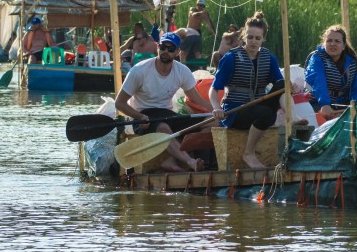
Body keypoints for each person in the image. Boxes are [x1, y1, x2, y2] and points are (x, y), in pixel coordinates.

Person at [114, 32, 214, 172]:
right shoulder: (139, 71)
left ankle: (173, 160)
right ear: (157, 47)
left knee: (210, 121)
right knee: (164, 128)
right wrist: (139, 117)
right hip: (143, 116)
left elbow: (196, 99)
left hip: (167, 114)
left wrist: (215, 110)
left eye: (171, 49)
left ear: (178, 52)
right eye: (163, 47)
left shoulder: (182, 71)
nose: (166, 51)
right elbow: (119, 103)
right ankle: (191, 162)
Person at [208, 12, 284, 170]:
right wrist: (216, 108)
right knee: (265, 113)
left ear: (263, 39)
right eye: (250, 37)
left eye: (258, 38)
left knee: (283, 85)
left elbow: (279, 84)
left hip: (259, 106)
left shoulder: (269, 58)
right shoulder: (231, 58)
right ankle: (248, 153)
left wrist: (290, 86)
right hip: (236, 111)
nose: (253, 42)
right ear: (243, 37)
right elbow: (214, 90)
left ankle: (292, 117)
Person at [304, 24, 357, 118]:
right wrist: (325, 104)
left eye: (337, 41)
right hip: (317, 102)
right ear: (324, 43)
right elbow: (318, 81)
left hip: (341, 104)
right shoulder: (317, 58)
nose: (333, 44)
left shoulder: (352, 63)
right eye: (329, 41)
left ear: (344, 46)